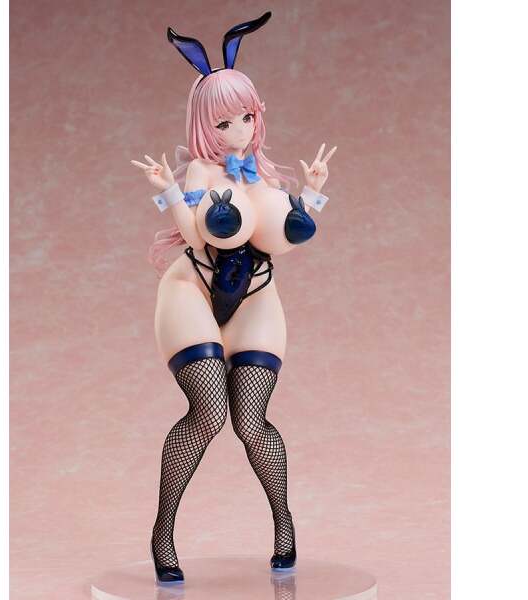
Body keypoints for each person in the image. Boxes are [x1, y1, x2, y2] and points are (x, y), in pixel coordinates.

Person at [131, 11, 336, 584]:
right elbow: (196, 234)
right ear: (205, 123)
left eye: (248, 116)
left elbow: (286, 237)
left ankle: (285, 523)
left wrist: (313, 194)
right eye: (225, 121)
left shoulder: (263, 175)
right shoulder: (200, 169)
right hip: (193, 289)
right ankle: (163, 531)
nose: (240, 129)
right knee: (207, 412)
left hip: (256, 296)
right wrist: (168, 191)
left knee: (251, 421)